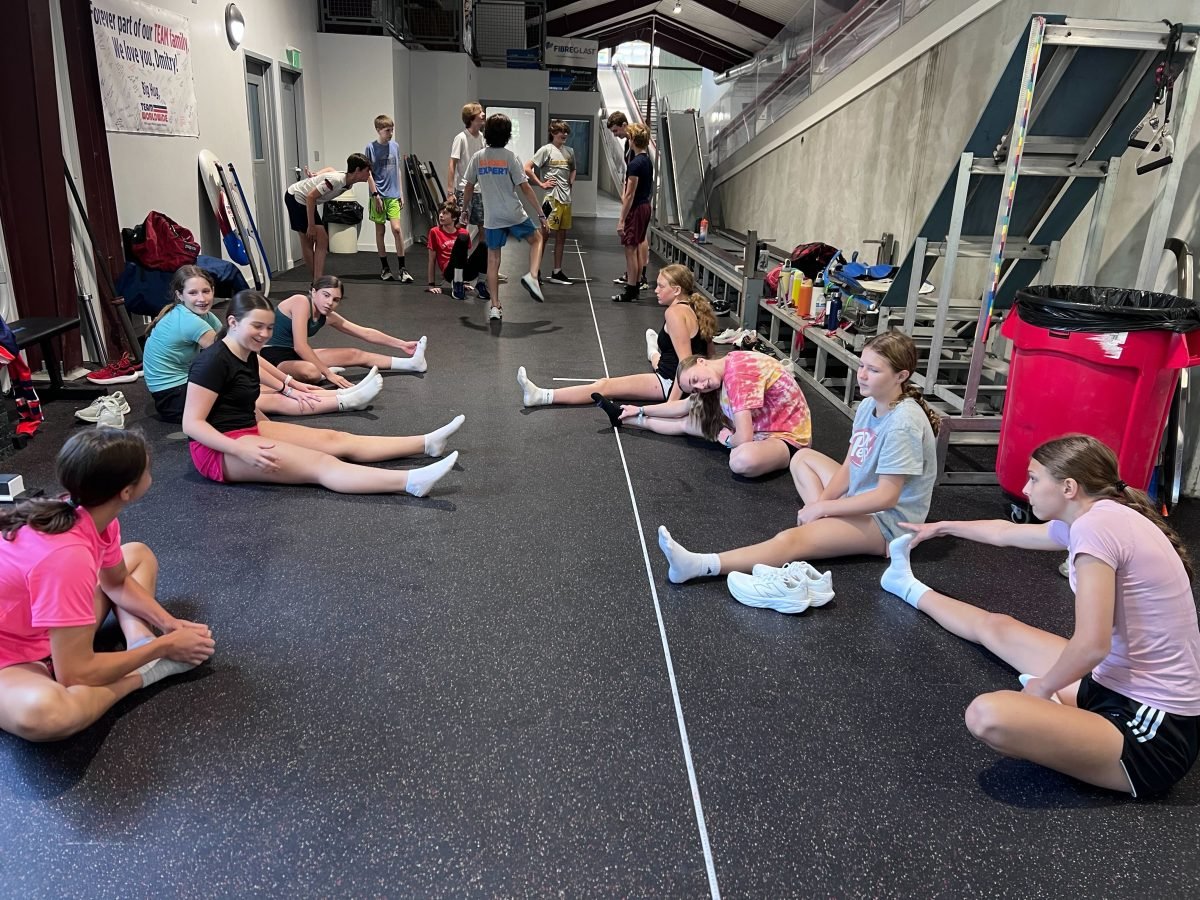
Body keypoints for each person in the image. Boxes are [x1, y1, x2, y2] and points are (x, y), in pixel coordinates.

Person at [882, 434, 1200, 798]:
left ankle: (1060, 712)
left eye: (1034, 479)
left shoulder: (1096, 529)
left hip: (1152, 730)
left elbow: (1092, 644)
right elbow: (1005, 533)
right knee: (998, 628)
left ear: (1068, 487)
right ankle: (904, 584)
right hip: (1111, 682)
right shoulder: (1098, 515)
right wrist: (941, 527)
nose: (1024, 488)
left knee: (988, 716)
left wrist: (1043, 688)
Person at [656, 331, 939, 615]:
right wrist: (821, 505)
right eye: (862, 365)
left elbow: (887, 497)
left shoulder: (904, 423)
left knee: (791, 540)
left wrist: (824, 508)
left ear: (901, 376)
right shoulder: (868, 405)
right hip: (864, 495)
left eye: (873, 370)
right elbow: (850, 466)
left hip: (890, 524)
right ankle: (825, 529)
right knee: (802, 458)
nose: (862, 375)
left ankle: (699, 565)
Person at [0, 428, 216, 742]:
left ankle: (139, 640)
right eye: (147, 470)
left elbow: (117, 583)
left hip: (45, 626)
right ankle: (143, 674)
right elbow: (74, 674)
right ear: (126, 491)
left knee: (137, 554)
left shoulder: (87, 513)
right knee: (48, 715)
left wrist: (168, 624)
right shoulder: (67, 557)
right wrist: (164, 648)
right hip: (11, 655)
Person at [183, 291, 462, 497]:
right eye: (257, 326)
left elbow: (259, 373)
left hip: (248, 429)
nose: (265, 334)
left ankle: (426, 444)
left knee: (335, 439)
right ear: (233, 322)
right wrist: (238, 448)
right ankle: (411, 482)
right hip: (217, 450)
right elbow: (192, 425)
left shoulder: (246, 351)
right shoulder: (212, 362)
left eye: (269, 327)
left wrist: (290, 387)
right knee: (321, 464)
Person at [142, 266, 382, 422]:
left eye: (206, 291)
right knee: (257, 396)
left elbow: (247, 356)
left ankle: (341, 394)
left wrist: (290, 382)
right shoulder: (190, 322)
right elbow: (237, 361)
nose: (202, 298)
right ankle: (344, 402)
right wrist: (287, 387)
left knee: (263, 387)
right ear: (179, 295)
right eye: (193, 293)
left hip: (188, 384)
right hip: (173, 396)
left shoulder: (206, 317)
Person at [517, 264, 714, 408]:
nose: (655, 290)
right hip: (671, 370)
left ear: (677, 290)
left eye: (661, 286)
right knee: (658, 360)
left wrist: (671, 404)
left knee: (605, 385)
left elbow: (685, 364)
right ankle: (652, 350)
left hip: (669, 382)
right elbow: (709, 353)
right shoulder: (697, 308)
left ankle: (541, 396)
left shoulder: (674, 313)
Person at [607, 349, 813, 479]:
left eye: (695, 379)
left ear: (701, 361)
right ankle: (627, 418)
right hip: (758, 429)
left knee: (741, 460)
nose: (700, 386)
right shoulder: (721, 371)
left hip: (787, 439)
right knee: (689, 423)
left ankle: (785, 457)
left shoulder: (738, 374)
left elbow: (743, 438)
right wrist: (640, 409)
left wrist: (726, 438)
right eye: (694, 387)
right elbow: (682, 406)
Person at [261, 276, 427, 388]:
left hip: (294, 354)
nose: (329, 303)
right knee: (310, 372)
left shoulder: (327, 316)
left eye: (335, 300)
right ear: (313, 292)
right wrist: (328, 374)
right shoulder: (300, 302)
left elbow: (365, 333)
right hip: (271, 357)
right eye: (326, 295)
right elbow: (300, 346)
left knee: (354, 354)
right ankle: (321, 373)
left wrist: (402, 344)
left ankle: (412, 364)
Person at [460, 113, 548, 320]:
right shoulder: (510, 157)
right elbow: (525, 188)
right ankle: (532, 276)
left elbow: (468, 188)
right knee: (537, 239)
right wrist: (541, 213)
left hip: (492, 218)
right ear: (508, 135)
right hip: (513, 213)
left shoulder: (478, 157)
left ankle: (495, 307)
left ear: (487, 133)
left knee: (493, 260)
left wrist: (464, 210)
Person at [285, 153, 373, 280]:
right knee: (308, 240)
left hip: (308, 201)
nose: (369, 175)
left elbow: (330, 169)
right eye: (367, 171)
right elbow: (310, 197)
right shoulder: (336, 181)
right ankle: (316, 282)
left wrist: (317, 174)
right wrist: (311, 226)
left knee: (322, 239)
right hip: (296, 198)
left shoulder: (347, 182)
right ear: (357, 170)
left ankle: (317, 280)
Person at [525, 120, 577, 285]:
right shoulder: (546, 150)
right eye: (561, 131)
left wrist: (570, 182)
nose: (564, 134)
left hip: (566, 200)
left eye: (566, 132)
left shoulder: (569, 151)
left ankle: (557, 272)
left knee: (561, 236)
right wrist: (541, 184)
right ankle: (535, 272)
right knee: (543, 235)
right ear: (553, 133)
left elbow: (573, 169)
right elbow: (527, 167)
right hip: (551, 199)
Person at [364, 114, 412, 283]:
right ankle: (385, 268)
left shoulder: (395, 146)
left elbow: (397, 169)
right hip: (378, 195)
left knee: (397, 229)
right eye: (387, 130)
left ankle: (402, 268)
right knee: (380, 231)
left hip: (393, 194)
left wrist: (401, 193)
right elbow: (368, 173)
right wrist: (375, 195)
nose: (390, 133)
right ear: (378, 130)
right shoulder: (370, 148)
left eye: (392, 130)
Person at [606, 111, 647, 292]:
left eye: (616, 131)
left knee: (636, 242)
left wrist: (622, 217)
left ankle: (638, 278)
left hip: (638, 202)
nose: (615, 135)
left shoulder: (639, 158)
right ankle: (634, 277)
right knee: (635, 242)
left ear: (624, 125)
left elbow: (634, 180)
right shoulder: (630, 150)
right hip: (636, 200)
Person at [613, 123, 654, 303]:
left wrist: (621, 220)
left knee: (630, 250)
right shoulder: (646, 161)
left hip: (637, 208)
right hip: (644, 206)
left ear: (632, 139)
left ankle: (631, 290)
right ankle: (634, 286)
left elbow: (629, 194)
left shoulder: (635, 164)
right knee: (635, 248)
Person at [425, 199, 491, 302]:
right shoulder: (435, 232)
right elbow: (431, 260)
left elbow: (465, 256)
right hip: (450, 272)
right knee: (462, 238)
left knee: (484, 244)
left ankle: (480, 283)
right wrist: (431, 285)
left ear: (454, 217)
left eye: (445, 213)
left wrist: (466, 282)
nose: (441, 215)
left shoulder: (463, 232)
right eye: (440, 213)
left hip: (465, 272)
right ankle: (457, 283)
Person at [447, 102, 486, 245]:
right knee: (462, 225)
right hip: (464, 189)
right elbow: (452, 163)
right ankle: (460, 256)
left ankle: (482, 256)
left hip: (480, 190)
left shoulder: (482, 138)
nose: (483, 114)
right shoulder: (461, 138)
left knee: (483, 225)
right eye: (479, 112)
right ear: (471, 117)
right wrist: (450, 192)